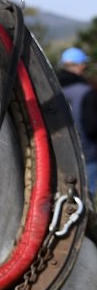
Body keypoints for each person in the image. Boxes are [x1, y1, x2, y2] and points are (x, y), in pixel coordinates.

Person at [57, 47, 97, 202]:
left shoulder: (52, 90)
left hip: (59, 153)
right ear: (80, 65)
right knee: (87, 198)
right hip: (88, 154)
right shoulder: (85, 91)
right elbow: (92, 126)